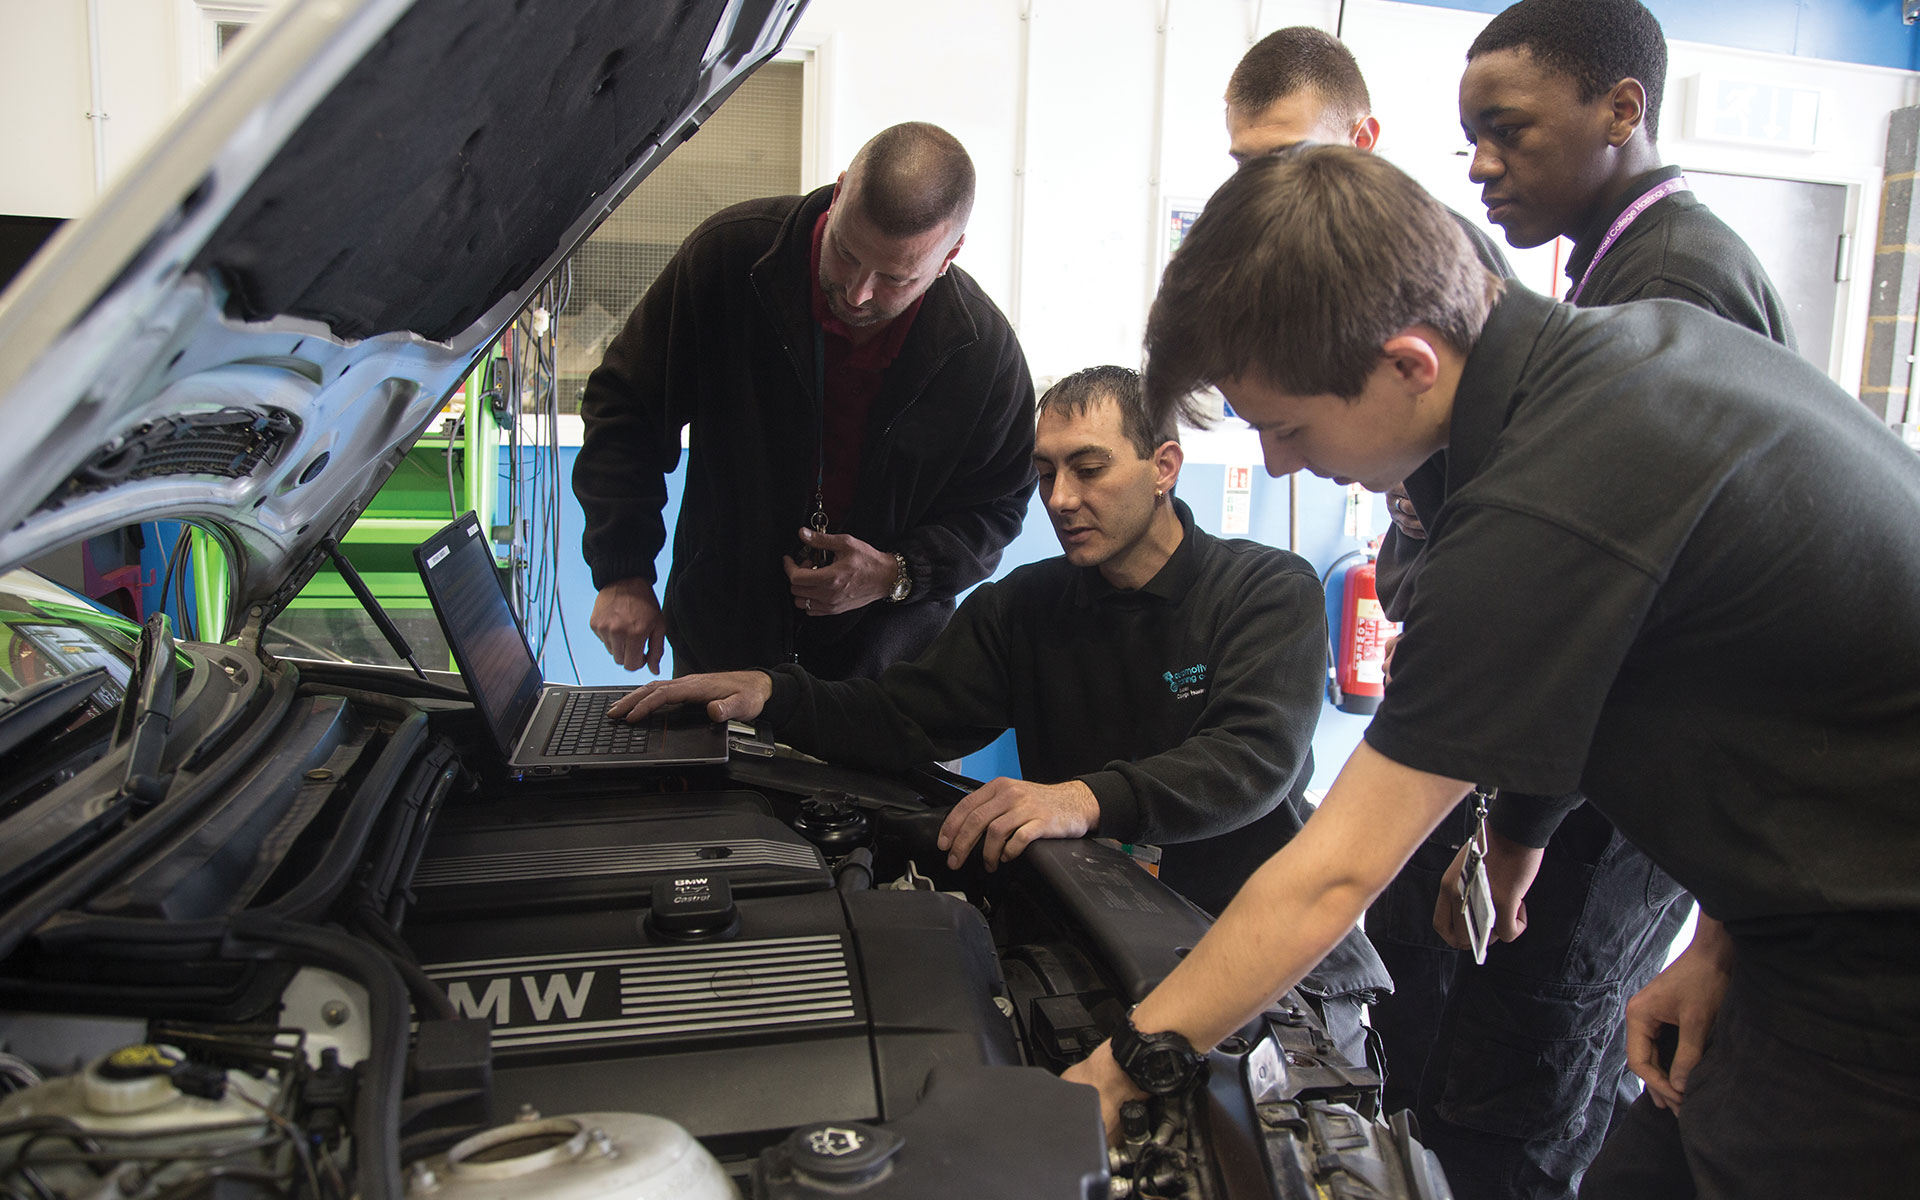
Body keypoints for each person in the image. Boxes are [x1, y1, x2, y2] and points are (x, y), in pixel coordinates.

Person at [1063, 144, 1920, 1200]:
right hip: (1799, 924)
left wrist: (1122, 1069)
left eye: (1287, 426)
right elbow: (1780, 681)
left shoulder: (1538, 506)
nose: (1280, 463)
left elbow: (1334, 872)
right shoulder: (1633, 358)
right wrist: (1721, 946)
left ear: (1411, 363)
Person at [1344, 4, 1802, 1195]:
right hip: (1597, 779)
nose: (1485, 164)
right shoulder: (1621, 266)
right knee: (1468, 1061)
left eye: (1509, 131)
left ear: (1622, 109)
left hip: (1628, 800)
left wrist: (1520, 833)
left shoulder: (1672, 284)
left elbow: (1602, 607)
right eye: (1470, 143)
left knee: (1522, 1086)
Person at [608, 365, 1335, 921]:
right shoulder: (1028, 605)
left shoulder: (1268, 592)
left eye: (1089, 469)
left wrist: (1082, 799)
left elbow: (1251, 758)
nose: (1060, 499)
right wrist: (773, 693)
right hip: (1098, 922)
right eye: (1046, 474)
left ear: (1164, 468)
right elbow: (904, 717)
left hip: (1248, 932)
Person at [573, 121, 1036, 683]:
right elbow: (627, 407)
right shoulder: (730, 259)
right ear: (839, 193)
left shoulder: (981, 353)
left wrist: (896, 573)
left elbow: (999, 506)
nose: (858, 292)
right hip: (722, 650)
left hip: (886, 682)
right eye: (845, 252)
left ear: (948, 255)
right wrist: (622, 571)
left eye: (895, 278)